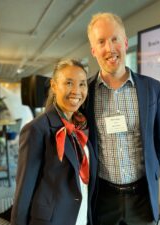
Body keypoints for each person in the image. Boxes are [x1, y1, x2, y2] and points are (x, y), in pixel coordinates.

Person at [84, 13, 160, 225]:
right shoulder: (85, 93)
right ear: (93, 50)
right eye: (101, 42)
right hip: (103, 197)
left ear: (125, 42)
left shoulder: (152, 88)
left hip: (142, 196)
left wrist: (153, 171)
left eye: (115, 39)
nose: (109, 48)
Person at [11, 59, 97, 225]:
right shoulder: (37, 129)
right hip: (52, 220)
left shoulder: (83, 126)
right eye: (69, 83)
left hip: (81, 216)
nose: (76, 91)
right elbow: (23, 190)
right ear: (54, 85)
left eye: (82, 84)